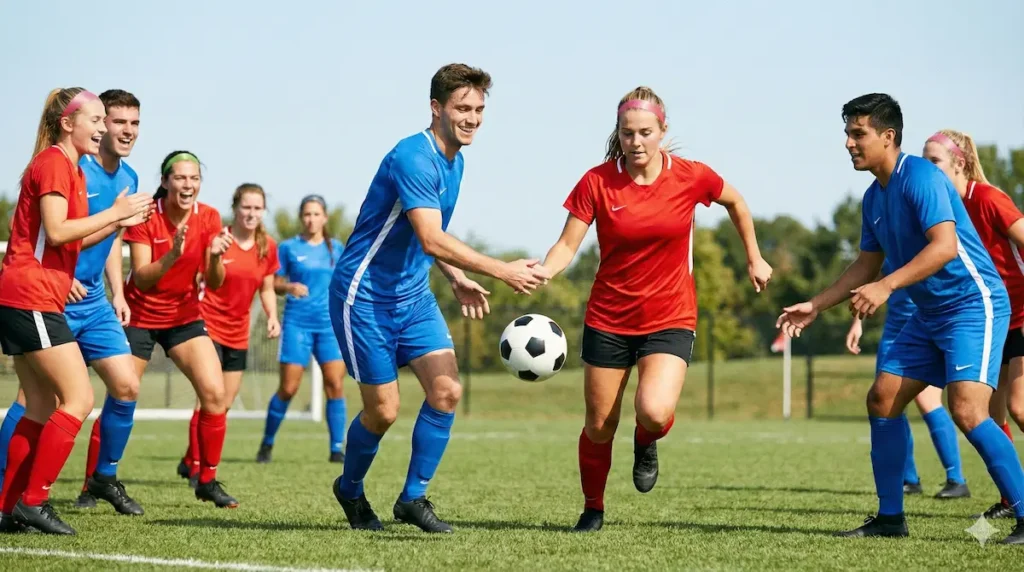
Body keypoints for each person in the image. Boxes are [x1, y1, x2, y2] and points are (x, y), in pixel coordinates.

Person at [776, 93, 1024, 543]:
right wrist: (816, 304)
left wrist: (887, 287)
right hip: (930, 314)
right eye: (848, 134)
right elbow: (866, 266)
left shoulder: (922, 177)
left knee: (967, 410)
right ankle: (891, 519)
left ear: (888, 137)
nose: (849, 143)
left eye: (858, 134)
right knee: (882, 397)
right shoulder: (874, 197)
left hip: (973, 304)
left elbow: (944, 246)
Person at [538, 86, 772, 532]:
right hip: (608, 319)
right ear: (619, 135)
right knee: (600, 426)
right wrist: (545, 271)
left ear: (663, 131)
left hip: (670, 317)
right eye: (628, 134)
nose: (637, 142)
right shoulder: (597, 182)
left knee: (655, 411)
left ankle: (646, 441)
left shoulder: (691, 176)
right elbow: (567, 244)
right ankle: (593, 508)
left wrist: (754, 256)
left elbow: (736, 202)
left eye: (646, 132)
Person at [328, 62, 549, 533]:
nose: (472, 118)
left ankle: (412, 498)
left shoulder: (456, 161)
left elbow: (429, 231)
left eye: (478, 109)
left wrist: (454, 277)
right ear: (436, 108)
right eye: (461, 108)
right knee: (383, 411)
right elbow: (430, 237)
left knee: (447, 391)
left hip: (413, 295)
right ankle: (349, 489)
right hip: (363, 296)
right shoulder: (412, 156)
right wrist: (499, 269)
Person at [0, 87, 152, 535]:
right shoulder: (54, 163)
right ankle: (35, 501)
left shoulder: (65, 166)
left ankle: (8, 509)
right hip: (31, 296)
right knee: (79, 399)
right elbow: (58, 230)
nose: (104, 128)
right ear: (68, 124)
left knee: (43, 403)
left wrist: (115, 220)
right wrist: (117, 212)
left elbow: (67, 236)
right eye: (98, 120)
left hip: (31, 297)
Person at [121, 150, 238, 508]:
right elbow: (141, 279)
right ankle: (97, 480)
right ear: (165, 182)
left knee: (215, 395)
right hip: (139, 315)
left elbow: (215, 283)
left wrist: (216, 256)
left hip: (184, 317)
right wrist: (172, 255)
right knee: (122, 396)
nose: (188, 185)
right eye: (181, 178)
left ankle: (207, 479)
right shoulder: (145, 217)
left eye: (194, 179)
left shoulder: (210, 217)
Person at [52, 89, 147, 515]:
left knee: (126, 384)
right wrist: (66, 272)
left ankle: (104, 477)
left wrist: (118, 291)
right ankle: (12, 488)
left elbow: (113, 236)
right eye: (119, 121)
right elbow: (53, 229)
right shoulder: (73, 169)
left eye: (135, 123)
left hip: (94, 301)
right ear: (99, 123)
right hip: (55, 293)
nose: (127, 131)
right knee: (41, 401)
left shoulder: (130, 179)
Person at [923, 128, 1024, 520]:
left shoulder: (986, 197)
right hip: (990, 319)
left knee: (1019, 408)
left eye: (934, 162)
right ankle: (1010, 499)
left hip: (1020, 313)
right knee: (988, 419)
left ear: (959, 163)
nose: (927, 170)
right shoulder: (942, 205)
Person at [175, 183, 280, 483]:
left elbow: (268, 287)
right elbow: (201, 276)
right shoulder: (219, 239)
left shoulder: (267, 246)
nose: (251, 213)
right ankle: (198, 468)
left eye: (257, 208)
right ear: (235, 208)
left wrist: (272, 316)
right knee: (208, 399)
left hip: (238, 333)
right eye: (246, 207)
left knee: (223, 404)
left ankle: (188, 459)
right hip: (207, 327)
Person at [846, 264, 970, 500]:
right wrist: (857, 322)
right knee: (887, 401)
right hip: (894, 330)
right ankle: (909, 478)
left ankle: (957, 479)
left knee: (928, 402)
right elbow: (875, 276)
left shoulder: (930, 238)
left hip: (926, 327)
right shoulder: (890, 240)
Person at [257, 195, 345, 464]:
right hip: (297, 323)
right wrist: (289, 287)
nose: (311, 219)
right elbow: (272, 283)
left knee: (335, 385)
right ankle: (267, 444)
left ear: (325, 217)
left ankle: (336, 449)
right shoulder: (288, 248)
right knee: (288, 388)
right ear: (301, 217)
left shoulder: (336, 249)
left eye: (316, 214)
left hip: (329, 326)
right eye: (307, 214)